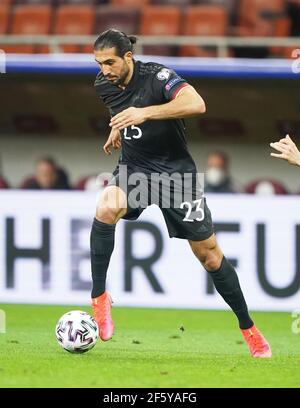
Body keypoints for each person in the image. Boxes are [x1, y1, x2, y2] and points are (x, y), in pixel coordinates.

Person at [90, 29, 271, 358]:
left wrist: (145, 113)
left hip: (177, 176)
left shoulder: (158, 76)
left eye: (111, 62)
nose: (105, 70)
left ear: (128, 57)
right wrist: (117, 127)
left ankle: (249, 329)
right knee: (105, 207)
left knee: (210, 257)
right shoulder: (103, 84)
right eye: (100, 63)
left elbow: (196, 103)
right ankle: (99, 298)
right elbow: (124, 108)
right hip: (137, 169)